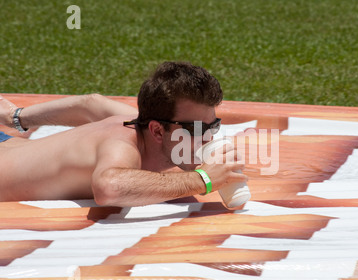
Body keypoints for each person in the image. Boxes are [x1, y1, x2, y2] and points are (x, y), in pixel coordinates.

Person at [0, 61, 247, 206]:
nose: (208, 138)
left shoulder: (140, 123)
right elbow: (108, 187)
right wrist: (202, 179)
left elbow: (91, 104)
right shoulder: (120, 144)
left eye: (213, 126)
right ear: (158, 131)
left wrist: (17, 118)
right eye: (196, 129)